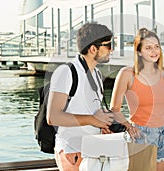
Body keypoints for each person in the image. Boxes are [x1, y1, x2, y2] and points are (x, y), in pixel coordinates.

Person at [46, 22, 115, 171]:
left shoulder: (96, 74)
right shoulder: (66, 72)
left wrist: (101, 125)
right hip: (72, 152)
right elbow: (53, 117)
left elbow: (89, 112)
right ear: (93, 49)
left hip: (92, 151)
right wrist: (94, 120)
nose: (112, 49)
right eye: (108, 45)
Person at [110, 28, 164, 171]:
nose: (154, 51)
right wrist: (129, 126)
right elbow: (115, 109)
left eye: (157, 46)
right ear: (138, 51)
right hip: (141, 134)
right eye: (148, 47)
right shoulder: (127, 74)